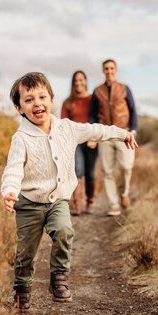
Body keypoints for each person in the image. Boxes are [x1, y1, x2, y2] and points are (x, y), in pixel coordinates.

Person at [1, 72, 138, 310]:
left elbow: (97, 131)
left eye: (42, 97)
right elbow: (13, 170)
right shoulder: (20, 138)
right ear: (19, 108)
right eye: (29, 100)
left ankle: (59, 278)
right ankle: (22, 290)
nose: (37, 103)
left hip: (58, 201)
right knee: (25, 253)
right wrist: (10, 190)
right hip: (29, 203)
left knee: (64, 231)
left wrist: (122, 133)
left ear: (52, 99)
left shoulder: (67, 128)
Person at [90, 59, 138, 217]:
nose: (109, 71)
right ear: (103, 71)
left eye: (111, 68)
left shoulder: (125, 89)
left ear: (115, 70)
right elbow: (92, 115)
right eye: (106, 68)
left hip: (124, 133)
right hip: (105, 135)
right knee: (107, 171)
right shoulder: (97, 91)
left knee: (126, 166)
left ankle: (124, 193)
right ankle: (113, 205)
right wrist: (92, 135)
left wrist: (133, 130)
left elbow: (132, 110)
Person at [61, 71, 98, 215]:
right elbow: (63, 123)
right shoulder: (68, 102)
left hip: (91, 141)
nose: (78, 83)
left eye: (81, 80)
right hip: (74, 142)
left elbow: (98, 119)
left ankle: (90, 201)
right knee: (77, 171)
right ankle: (77, 203)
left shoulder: (92, 100)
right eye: (76, 80)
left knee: (90, 173)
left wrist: (94, 138)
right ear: (73, 83)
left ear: (86, 81)